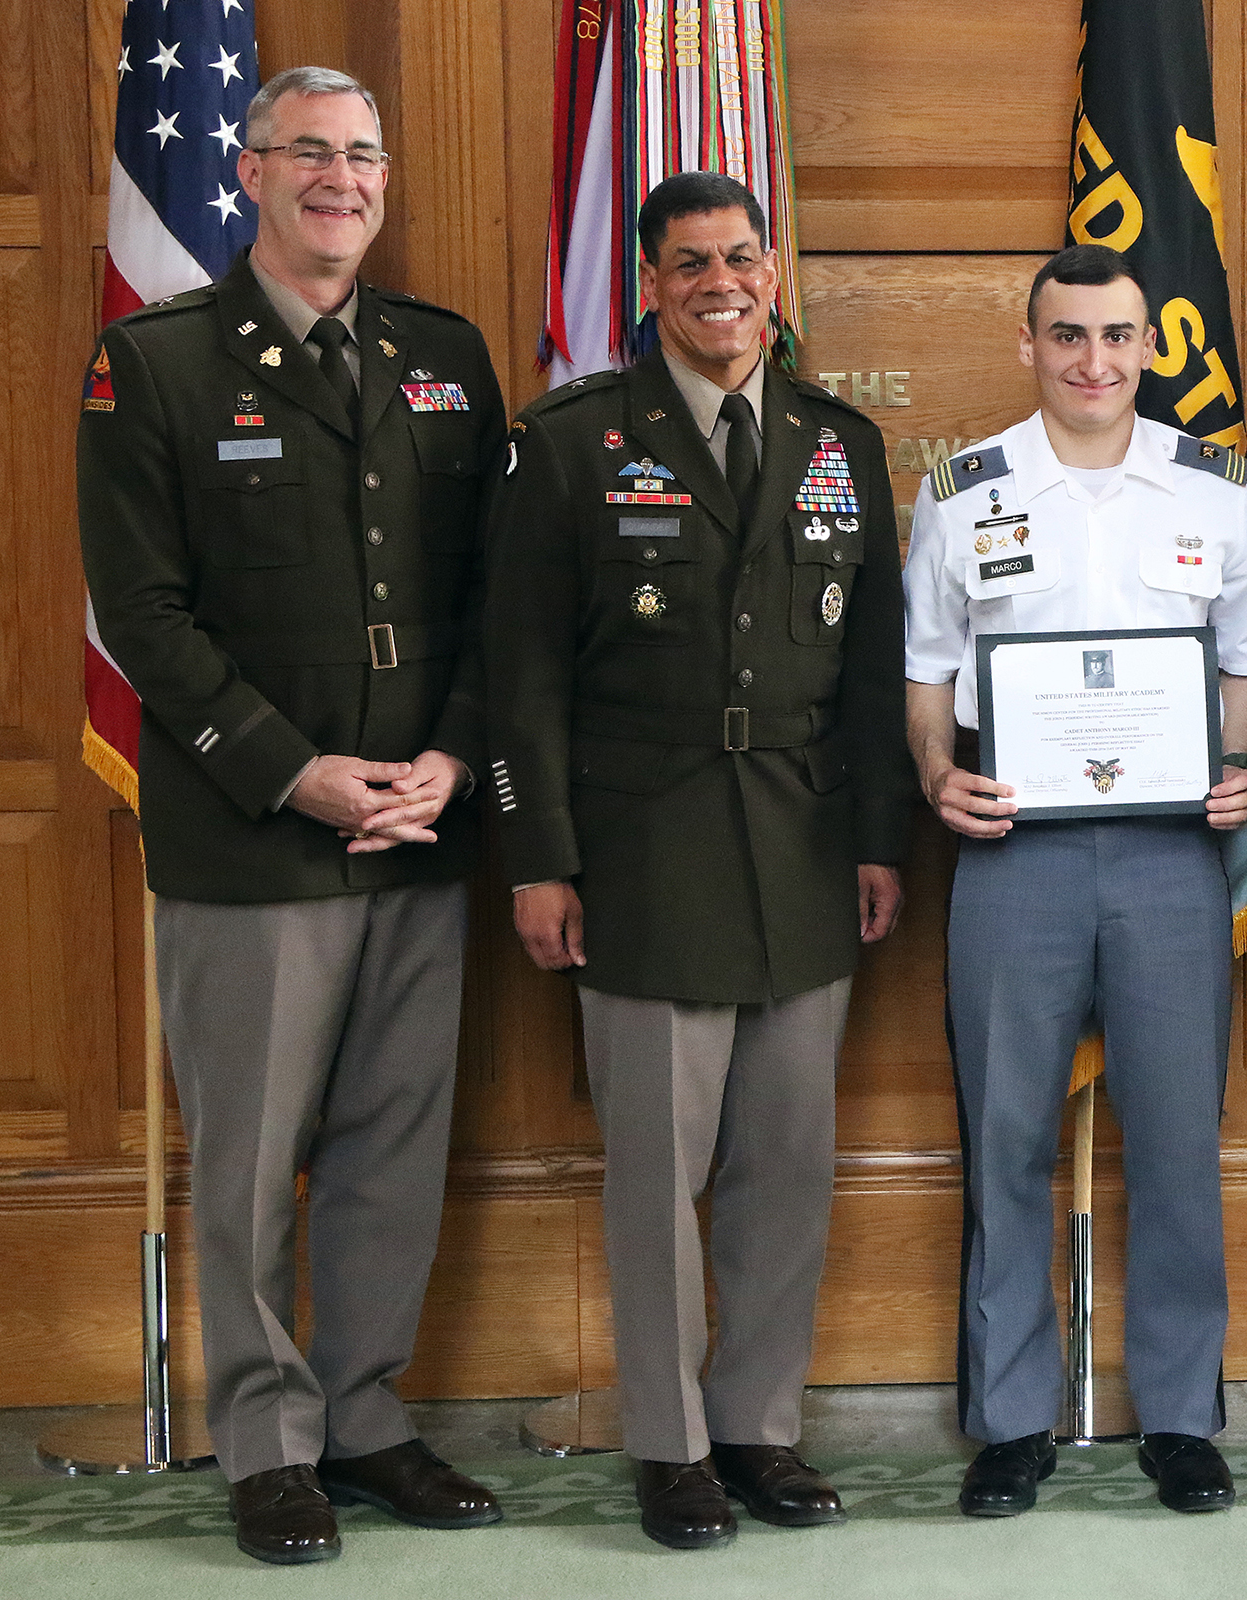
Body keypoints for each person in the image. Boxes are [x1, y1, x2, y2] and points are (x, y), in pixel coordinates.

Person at [76, 66, 506, 1565]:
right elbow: (143, 614)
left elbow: (487, 603)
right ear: (249, 174)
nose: (342, 178)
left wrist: (450, 762)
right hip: (255, 839)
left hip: (423, 827)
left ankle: (370, 1419)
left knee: (395, 1145)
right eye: (309, 153)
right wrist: (295, 772)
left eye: (363, 154)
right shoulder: (160, 361)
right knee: (252, 1159)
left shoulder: (445, 359)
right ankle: (268, 1445)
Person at [483, 171, 913, 1552]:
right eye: (689, 263)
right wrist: (539, 857)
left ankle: (758, 1427)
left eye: (740, 256)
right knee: (656, 1173)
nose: (720, 281)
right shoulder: (574, 442)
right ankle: (670, 1448)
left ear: (773, 273)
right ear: (651, 287)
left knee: (787, 1162)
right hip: (643, 842)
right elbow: (523, 670)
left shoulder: (840, 442)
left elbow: (870, 668)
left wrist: (875, 841)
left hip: (800, 840)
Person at [903, 244, 1247, 1517]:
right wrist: (932, 778)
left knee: (1176, 1136)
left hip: (1174, 856)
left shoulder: (1216, 489)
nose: (1094, 361)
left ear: (1148, 347)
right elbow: (928, 668)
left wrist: (1235, 762)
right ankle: (1012, 1419)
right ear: (1029, 346)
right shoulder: (962, 492)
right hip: (1015, 856)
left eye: (1118, 337)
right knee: (1005, 1132)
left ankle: (1180, 1413)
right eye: (1068, 336)